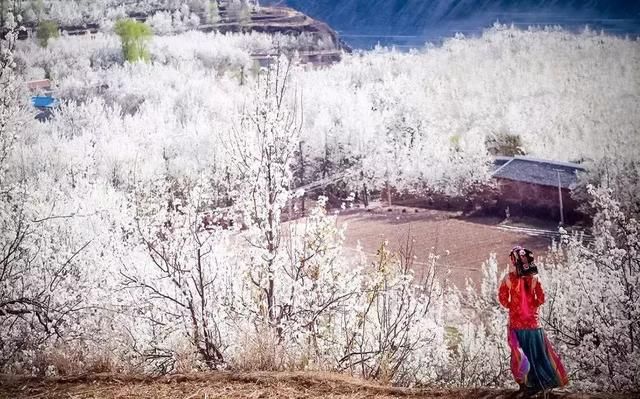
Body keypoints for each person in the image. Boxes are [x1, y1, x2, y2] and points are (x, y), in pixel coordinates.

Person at [498, 246, 569, 396]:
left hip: (516, 324)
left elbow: (503, 299)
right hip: (534, 324)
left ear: (513, 260)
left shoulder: (508, 278)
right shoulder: (535, 278)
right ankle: (541, 383)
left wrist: (513, 306)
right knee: (538, 354)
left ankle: (524, 384)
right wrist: (532, 306)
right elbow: (542, 298)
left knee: (519, 354)